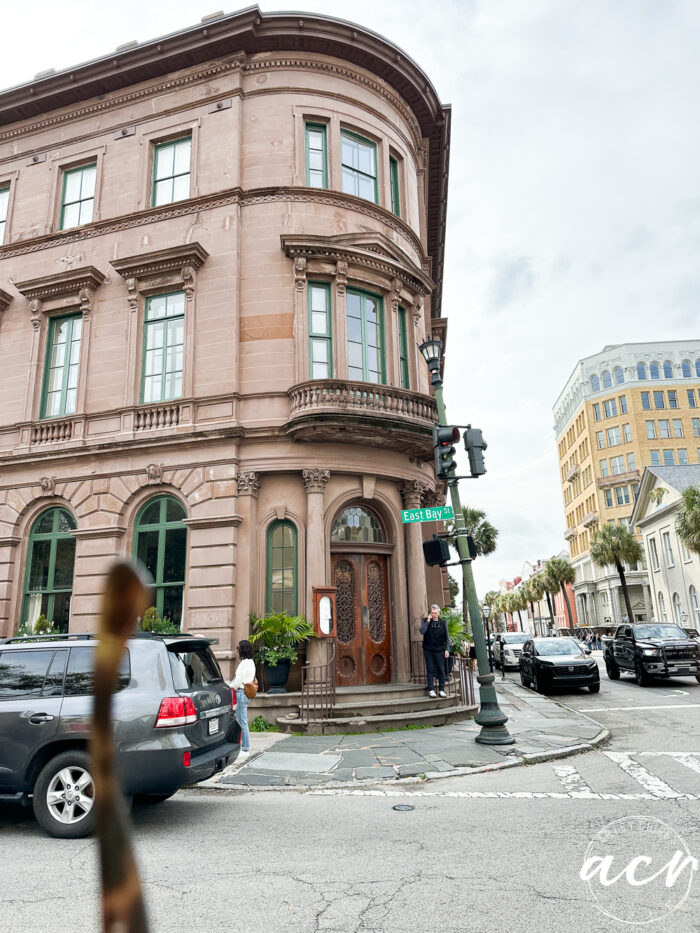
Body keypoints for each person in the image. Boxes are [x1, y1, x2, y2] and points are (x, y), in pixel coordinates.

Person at [229, 639, 256, 759]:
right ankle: (244, 747)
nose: (236, 651)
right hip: (245, 694)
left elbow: (238, 681)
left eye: (237, 648)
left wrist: (229, 687)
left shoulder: (244, 663)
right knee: (242, 721)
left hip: (241, 693)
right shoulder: (251, 662)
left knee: (242, 722)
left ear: (242, 650)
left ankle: (245, 748)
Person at [420, 604, 449, 698]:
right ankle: (431, 690)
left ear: (439, 613)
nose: (433, 615)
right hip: (428, 650)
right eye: (432, 613)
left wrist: (447, 649)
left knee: (441, 670)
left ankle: (441, 690)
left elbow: (447, 638)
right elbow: (422, 631)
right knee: (430, 670)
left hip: (440, 650)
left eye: (435, 613)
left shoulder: (443, 623)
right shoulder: (425, 621)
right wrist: (428, 621)